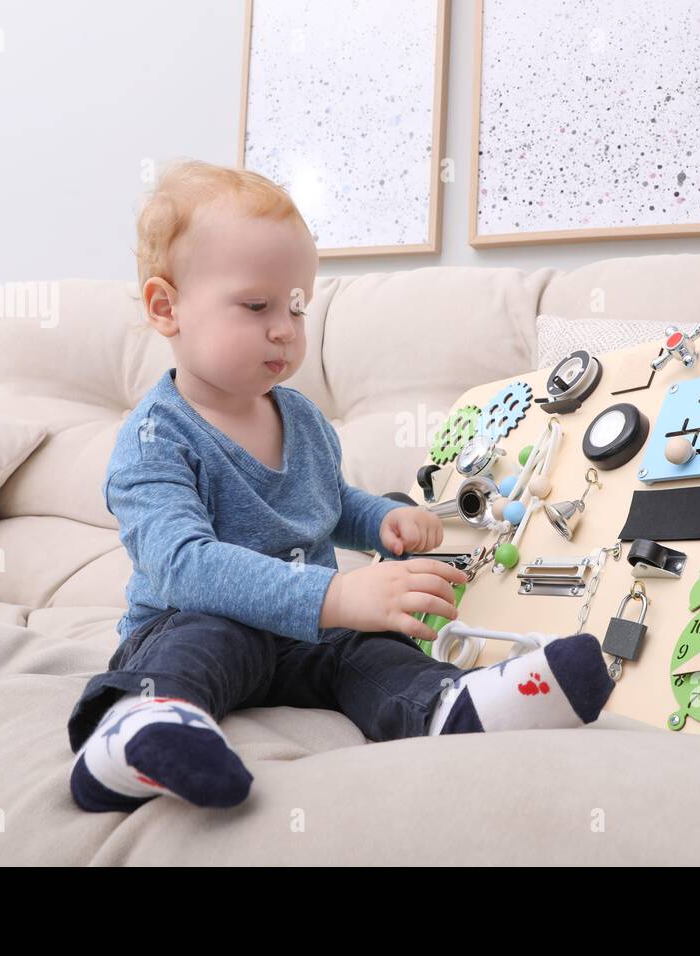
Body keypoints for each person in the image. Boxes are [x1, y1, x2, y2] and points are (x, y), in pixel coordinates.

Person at [67, 159, 614, 813]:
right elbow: (185, 568)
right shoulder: (156, 440)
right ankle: (139, 730)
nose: (284, 329)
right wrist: (335, 592)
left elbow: (326, 503)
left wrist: (379, 519)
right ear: (166, 307)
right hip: (198, 621)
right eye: (256, 305)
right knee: (200, 641)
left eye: (297, 308)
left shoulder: (296, 414)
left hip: (305, 636)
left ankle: (444, 705)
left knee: (369, 650)